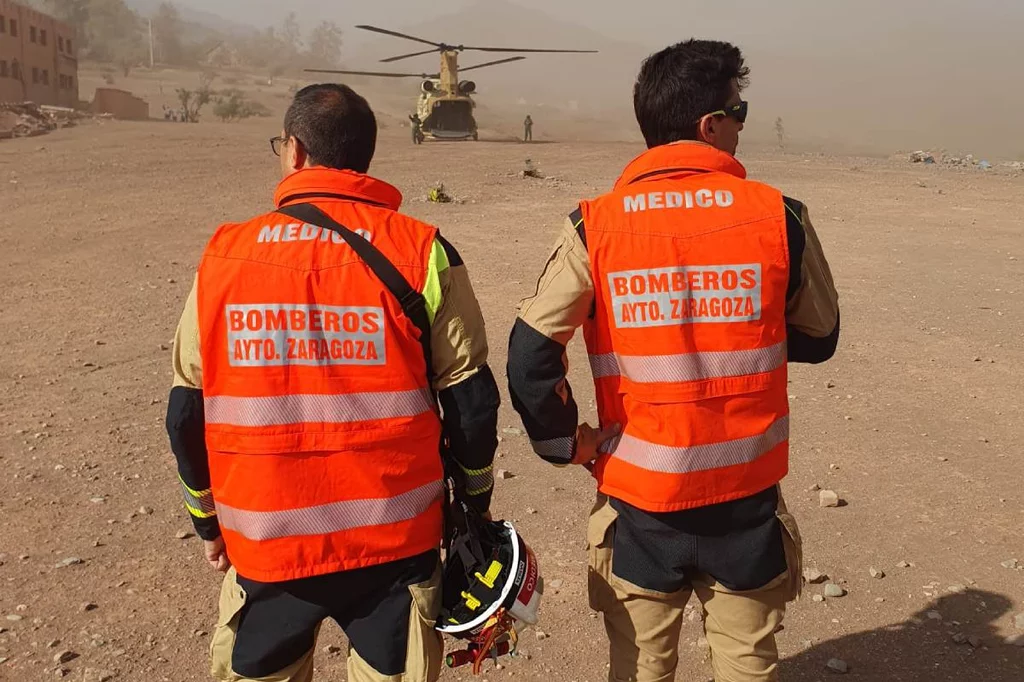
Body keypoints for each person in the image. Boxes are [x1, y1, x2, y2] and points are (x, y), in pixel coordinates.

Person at [507, 39, 839, 682]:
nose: (743, 125)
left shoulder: (592, 226)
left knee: (638, 665)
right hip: (744, 504)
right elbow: (820, 337)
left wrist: (565, 444)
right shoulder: (780, 216)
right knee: (748, 666)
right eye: (739, 112)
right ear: (709, 125)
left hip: (639, 505)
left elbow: (530, 354)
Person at [166, 83, 501, 682]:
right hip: (394, 549)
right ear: (364, 156)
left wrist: (207, 521)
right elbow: (472, 403)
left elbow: (186, 411)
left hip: (267, 546)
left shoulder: (223, 258)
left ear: (294, 152)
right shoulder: (423, 252)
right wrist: (473, 506)